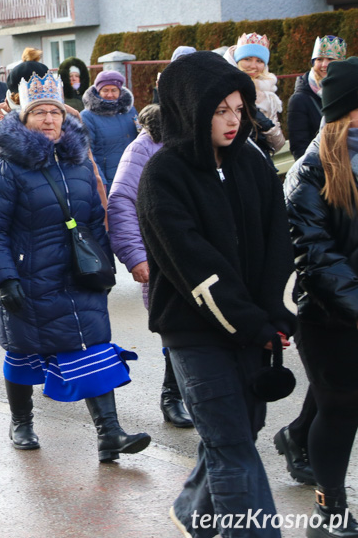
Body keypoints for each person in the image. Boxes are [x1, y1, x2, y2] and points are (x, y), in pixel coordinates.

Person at [136, 51, 296, 536]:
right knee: (231, 446)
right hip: (194, 334)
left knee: (241, 433)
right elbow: (195, 269)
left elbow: (278, 242)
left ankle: (193, 512)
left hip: (253, 327)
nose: (232, 120)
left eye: (238, 109)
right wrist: (253, 322)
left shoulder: (251, 160)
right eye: (219, 110)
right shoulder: (162, 176)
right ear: (190, 110)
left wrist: (278, 315)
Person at [0, 71, 149, 462]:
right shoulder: (5, 167)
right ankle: (21, 421)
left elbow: (93, 217)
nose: (50, 120)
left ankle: (110, 434)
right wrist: (5, 278)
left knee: (91, 345)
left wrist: (102, 265)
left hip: (76, 274)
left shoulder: (78, 162)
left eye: (55, 112)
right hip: (27, 277)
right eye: (40, 113)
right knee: (24, 351)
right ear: (24, 118)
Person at [283, 56, 358, 537]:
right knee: (341, 409)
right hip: (329, 318)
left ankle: (293, 437)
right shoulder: (310, 172)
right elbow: (317, 256)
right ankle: (331, 510)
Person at [106, 104, 193, 429]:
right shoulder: (144, 145)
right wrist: (136, 256)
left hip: (204, 250)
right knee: (177, 323)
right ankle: (173, 396)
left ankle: (196, 394)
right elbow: (122, 200)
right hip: (164, 253)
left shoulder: (208, 132)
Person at [0, 60, 107, 214]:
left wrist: (105, 224)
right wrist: (4, 150)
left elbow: (90, 170)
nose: (47, 117)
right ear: (14, 94)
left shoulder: (68, 114)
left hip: (62, 202)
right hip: (14, 206)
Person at [224, 32, 286, 159]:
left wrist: (267, 127)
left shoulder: (268, 96)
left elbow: (278, 145)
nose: (253, 66)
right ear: (236, 60)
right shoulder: (223, 88)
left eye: (259, 61)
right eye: (247, 59)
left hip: (258, 162)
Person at [288, 35, 346, 161]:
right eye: (319, 59)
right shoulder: (300, 100)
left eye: (330, 59)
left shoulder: (348, 93)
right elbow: (299, 146)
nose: (324, 65)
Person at [81, 70, 138, 194]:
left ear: (120, 91)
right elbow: (88, 151)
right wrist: (100, 180)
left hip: (133, 175)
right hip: (109, 179)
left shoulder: (129, 111)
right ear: (98, 91)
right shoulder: (88, 116)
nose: (110, 95)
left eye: (114, 90)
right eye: (105, 90)